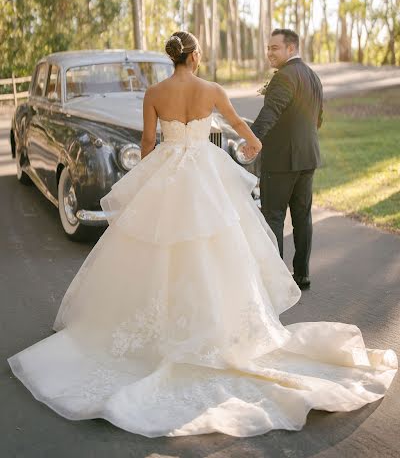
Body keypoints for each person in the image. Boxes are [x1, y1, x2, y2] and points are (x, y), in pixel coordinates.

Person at [8, 31, 397, 438]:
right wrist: (252, 146)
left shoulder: (154, 92)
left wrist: (147, 173)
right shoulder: (211, 88)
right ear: (192, 56)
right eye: (200, 52)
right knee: (217, 244)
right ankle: (216, 325)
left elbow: (146, 140)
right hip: (205, 177)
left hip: (168, 174)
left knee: (158, 247)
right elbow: (239, 129)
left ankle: (159, 325)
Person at [249, 29, 323, 290]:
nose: (269, 53)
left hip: (281, 161)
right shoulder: (313, 77)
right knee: (302, 217)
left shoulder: (284, 77)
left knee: (273, 216)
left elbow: (270, 113)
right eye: (268, 48)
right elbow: (318, 119)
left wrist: (251, 142)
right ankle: (301, 275)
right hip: (308, 158)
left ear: (291, 49)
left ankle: (277, 282)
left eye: (275, 48)